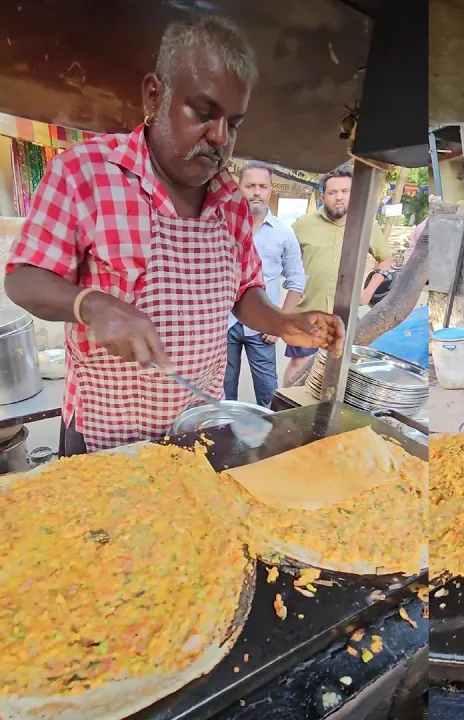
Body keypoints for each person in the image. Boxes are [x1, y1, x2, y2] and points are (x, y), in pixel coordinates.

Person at [4, 16, 343, 455]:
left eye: (233, 123)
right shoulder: (85, 173)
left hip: (197, 428)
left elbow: (244, 290)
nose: (219, 136)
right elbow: (23, 277)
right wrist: (91, 304)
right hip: (105, 433)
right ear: (154, 95)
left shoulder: (231, 201)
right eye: (202, 113)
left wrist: (281, 321)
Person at [287, 167, 393, 379]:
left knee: (339, 365)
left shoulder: (366, 225)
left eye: (345, 191)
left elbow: (386, 259)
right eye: (333, 192)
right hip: (308, 311)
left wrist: (369, 291)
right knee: (300, 365)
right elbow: (286, 263)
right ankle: (288, 405)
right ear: (323, 196)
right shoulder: (302, 226)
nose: (339, 197)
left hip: (346, 313)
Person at [226, 161, 307, 406]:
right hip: (224, 325)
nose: (256, 192)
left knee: (267, 392)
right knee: (223, 392)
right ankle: (223, 436)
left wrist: (279, 322)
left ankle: (271, 438)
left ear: (271, 189)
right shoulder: (222, 227)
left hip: (263, 329)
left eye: (263, 186)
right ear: (240, 188)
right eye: (250, 185)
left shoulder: (283, 232)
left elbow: (296, 280)